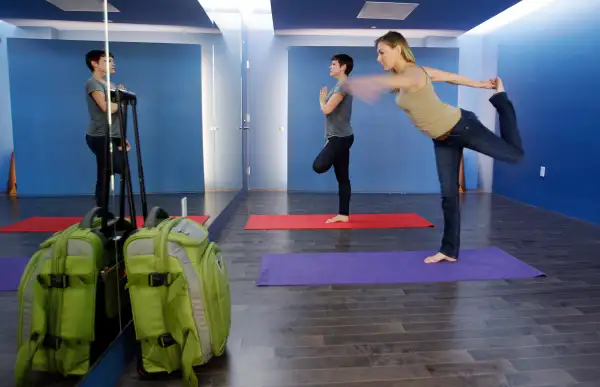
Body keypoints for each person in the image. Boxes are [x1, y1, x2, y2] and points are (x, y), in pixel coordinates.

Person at [343, 31, 524, 264]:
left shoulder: (414, 73)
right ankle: (449, 250)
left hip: (462, 126)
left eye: (381, 52)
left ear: (398, 48)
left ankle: (502, 100)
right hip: (442, 139)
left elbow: (397, 81)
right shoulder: (418, 73)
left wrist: (369, 82)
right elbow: (449, 76)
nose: (379, 58)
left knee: (514, 155)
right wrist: (480, 84)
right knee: (449, 196)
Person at [84, 50, 130, 208]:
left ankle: (103, 211)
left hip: (113, 135)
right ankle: (101, 212)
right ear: (95, 64)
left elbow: (116, 115)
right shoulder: (93, 83)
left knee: (116, 169)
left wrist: (121, 137)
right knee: (107, 172)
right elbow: (106, 107)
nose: (113, 63)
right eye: (108, 61)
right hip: (99, 136)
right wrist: (122, 101)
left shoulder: (111, 84)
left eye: (112, 60)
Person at [312, 54, 355, 224]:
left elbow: (327, 110)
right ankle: (343, 215)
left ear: (343, 67)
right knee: (343, 177)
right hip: (340, 137)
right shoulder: (340, 85)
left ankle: (343, 214)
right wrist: (330, 141)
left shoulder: (343, 85)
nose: (330, 67)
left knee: (319, 166)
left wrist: (322, 101)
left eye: (334, 64)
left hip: (341, 138)